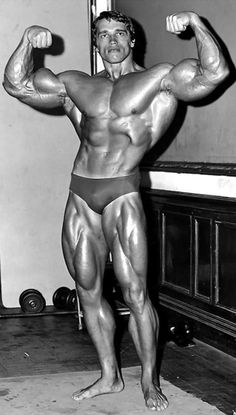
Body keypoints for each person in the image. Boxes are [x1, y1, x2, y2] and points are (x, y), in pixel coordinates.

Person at [3, 10, 229, 411]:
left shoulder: (159, 79)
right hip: (80, 192)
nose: (111, 40)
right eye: (103, 33)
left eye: (119, 33)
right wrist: (26, 40)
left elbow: (214, 74)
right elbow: (16, 84)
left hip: (122, 191)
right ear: (96, 42)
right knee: (86, 290)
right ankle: (109, 376)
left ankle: (148, 379)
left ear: (132, 39)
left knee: (136, 291)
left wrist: (196, 24)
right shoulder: (75, 84)